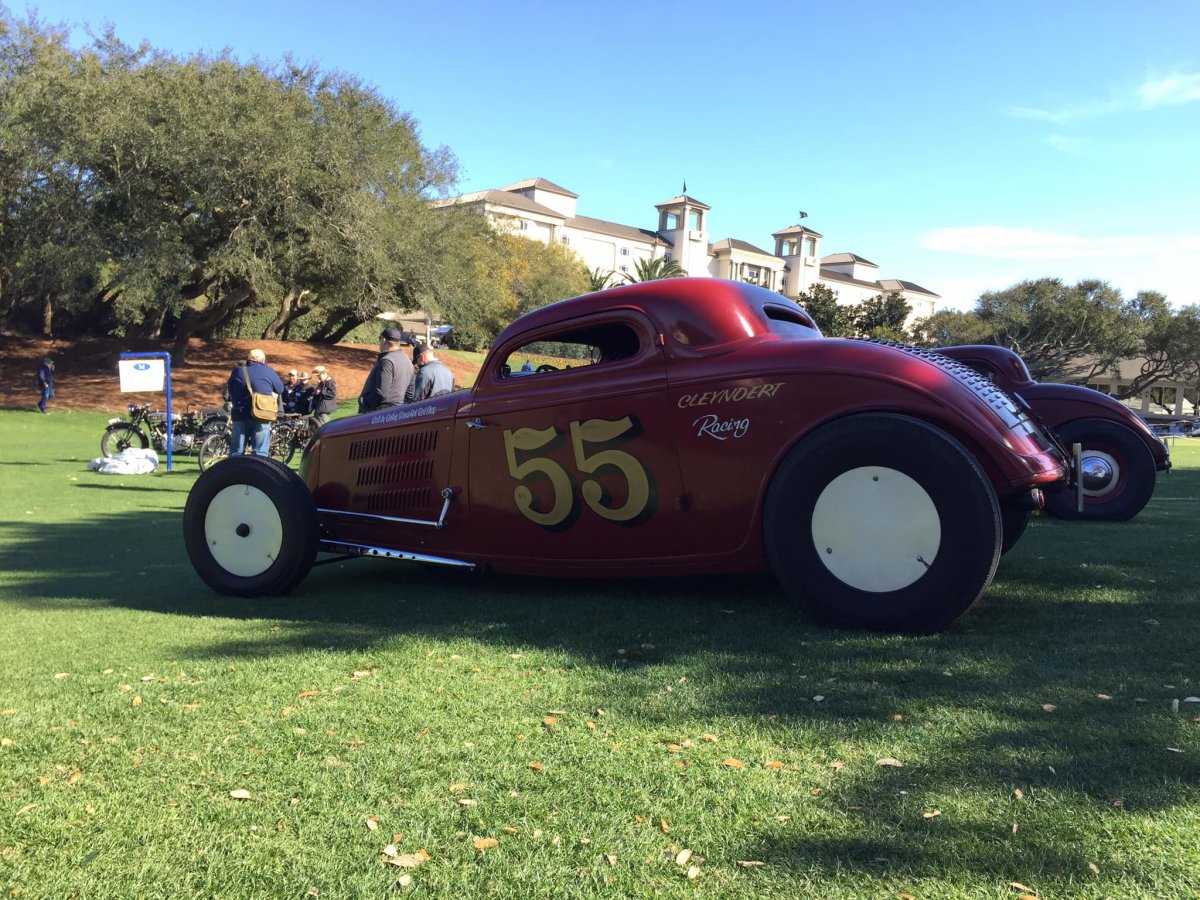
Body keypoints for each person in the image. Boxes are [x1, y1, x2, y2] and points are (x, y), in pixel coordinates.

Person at [226, 348, 286, 457]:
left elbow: (230, 390)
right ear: (263, 360)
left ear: (249, 359)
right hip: (262, 413)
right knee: (260, 453)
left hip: (240, 414)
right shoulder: (269, 371)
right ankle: (258, 472)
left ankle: (234, 472)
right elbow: (280, 389)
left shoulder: (238, 371)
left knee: (236, 452)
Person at [358, 327, 415, 413]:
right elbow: (410, 394)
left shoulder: (387, 361)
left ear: (384, 340)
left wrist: (364, 401)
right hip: (397, 414)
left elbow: (381, 393)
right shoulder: (408, 361)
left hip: (379, 415)